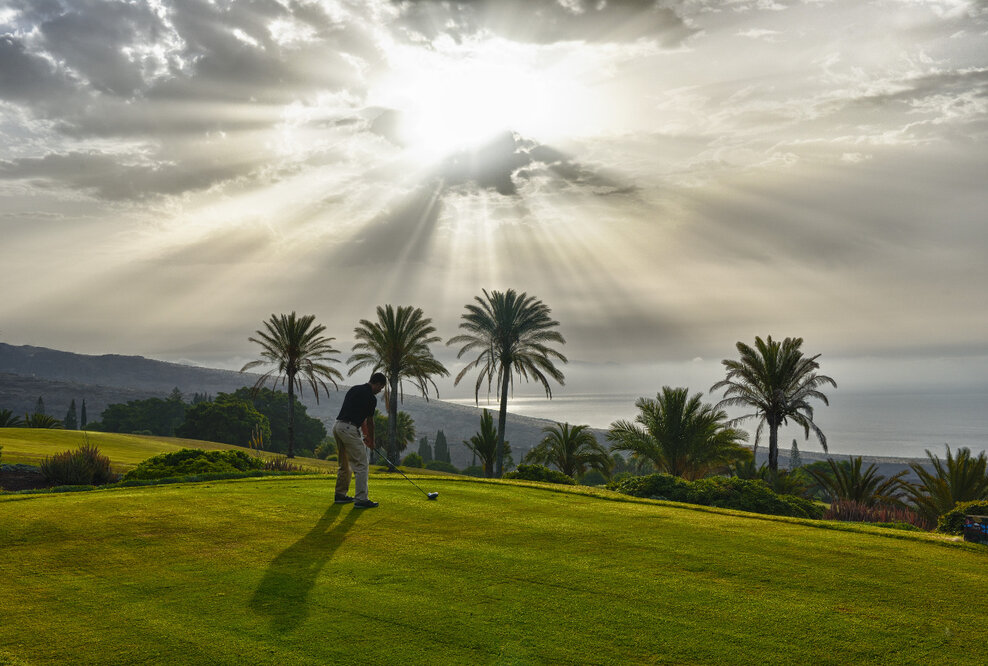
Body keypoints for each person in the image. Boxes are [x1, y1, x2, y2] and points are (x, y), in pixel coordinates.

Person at [333, 372, 386, 508]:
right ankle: (361, 499)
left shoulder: (355, 389)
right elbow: (369, 422)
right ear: (378, 384)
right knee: (362, 464)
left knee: (344, 464)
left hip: (338, 426)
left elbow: (360, 416)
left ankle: (340, 495)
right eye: (381, 388)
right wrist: (372, 441)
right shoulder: (371, 398)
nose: (380, 391)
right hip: (349, 429)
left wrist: (366, 436)